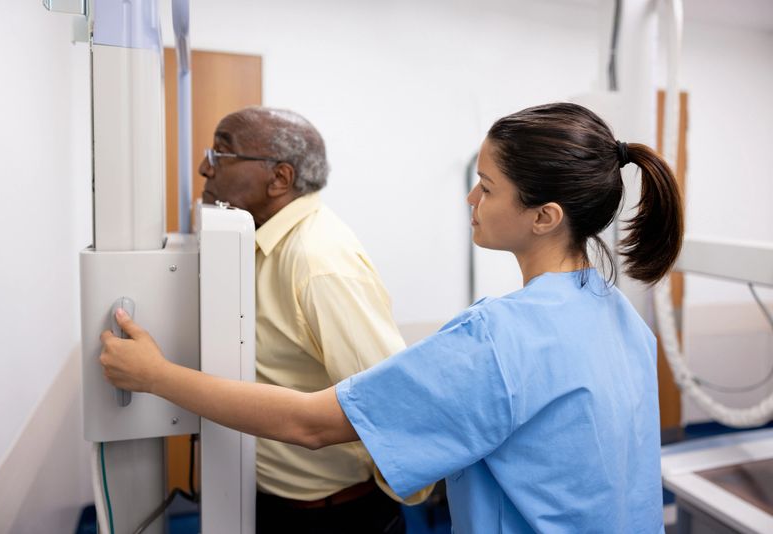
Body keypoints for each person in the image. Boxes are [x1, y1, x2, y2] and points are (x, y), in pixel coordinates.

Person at [101, 102, 683, 533]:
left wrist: (155, 375)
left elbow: (313, 423)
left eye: (486, 187)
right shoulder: (622, 318)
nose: (470, 201)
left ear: (545, 216)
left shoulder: (499, 338)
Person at [197, 107, 426, 533]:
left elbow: (388, 404)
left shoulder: (317, 261)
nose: (204, 167)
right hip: (273, 502)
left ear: (279, 178)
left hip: (332, 515)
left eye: (221, 153)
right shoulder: (259, 243)